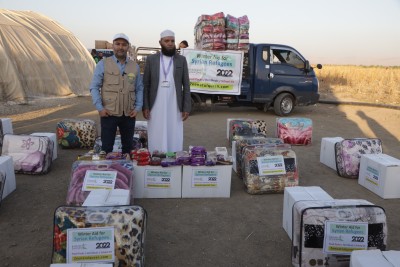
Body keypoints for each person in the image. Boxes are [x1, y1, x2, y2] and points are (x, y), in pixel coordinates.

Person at [89, 33, 143, 154]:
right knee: (107, 148)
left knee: (127, 148)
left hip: (129, 114)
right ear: (113, 46)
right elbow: (94, 87)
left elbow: (139, 88)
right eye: (117, 44)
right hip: (109, 113)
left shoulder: (134, 67)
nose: (120, 47)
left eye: (124, 45)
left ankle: (125, 171)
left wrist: (138, 107)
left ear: (128, 47)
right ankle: (108, 170)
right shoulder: (103, 64)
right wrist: (100, 108)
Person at [143, 29, 191, 153]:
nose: (170, 43)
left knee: (174, 130)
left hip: (174, 104)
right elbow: (146, 84)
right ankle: (156, 155)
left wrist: (186, 107)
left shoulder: (181, 60)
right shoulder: (151, 59)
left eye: (172, 41)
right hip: (155, 105)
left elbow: (186, 85)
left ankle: (173, 155)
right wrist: (146, 106)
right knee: (156, 130)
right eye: (167, 41)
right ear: (160, 42)